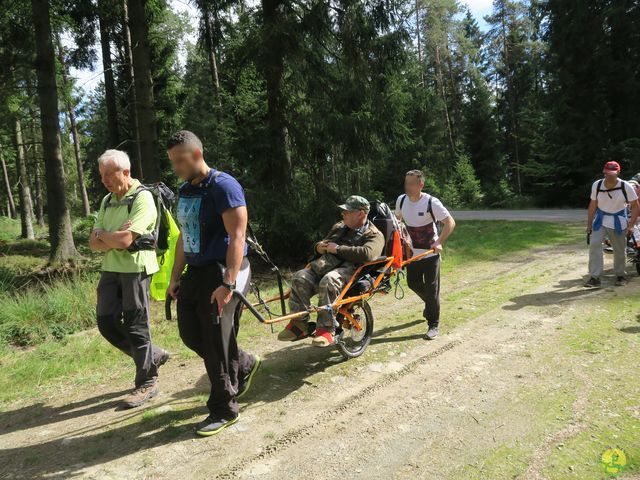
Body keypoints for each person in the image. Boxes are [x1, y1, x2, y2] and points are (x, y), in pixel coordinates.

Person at [165, 130, 260, 437]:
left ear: (196, 154)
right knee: (191, 334)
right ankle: (243, 363)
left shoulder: (223, 185)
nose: (176, 166)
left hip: (225, 269)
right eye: (173, 161)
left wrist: (228, 283)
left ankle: (224, 409)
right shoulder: (185, 189)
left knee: (216, 339)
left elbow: (237, 236)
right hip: (196, 271)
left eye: (180, 160)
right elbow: (183, 236)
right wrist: (175, 277)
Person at [89, 149, 170, 409]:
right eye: (101, 176)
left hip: (136, 268)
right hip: (111, 268)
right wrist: (111, 237)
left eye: (109, 175)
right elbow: (93, 242)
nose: (104, 180)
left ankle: (147, 382)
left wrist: (106, 235)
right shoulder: (106, 200)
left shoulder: (143, 198)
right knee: (106, 323)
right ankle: (153, 355)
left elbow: (126, 240)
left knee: (136, 325)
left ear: (126, 172)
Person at [278, 196, 385, 347]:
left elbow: (368, 254)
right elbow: (322, 244)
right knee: (300, 277)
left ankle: (326, 330)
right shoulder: (339, 227)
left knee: (329, 280)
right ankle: (299, 325)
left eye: (347, 211)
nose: (343, 214)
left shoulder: (374, 234)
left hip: (351, 271)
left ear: (361, 213)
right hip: (325, 266)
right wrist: (318, 247)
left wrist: (339, 249)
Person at [395, 170, 455, 340]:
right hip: (412, 254)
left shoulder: (431, 202)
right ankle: (431, 305)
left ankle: (433, 324)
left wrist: (439, 241)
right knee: (412, 283)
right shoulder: (402, 200)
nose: (408, 187)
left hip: (431, 255)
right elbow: (397, 220)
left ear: (421, 184)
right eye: (406, 183)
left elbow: (450, 222)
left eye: (412, 184)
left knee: (432, 288)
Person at [585, 161, 639, 287]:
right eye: (607, 173)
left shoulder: (626, 186)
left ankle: (620, 275)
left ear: (618, 173)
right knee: (594, 245)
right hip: (601, 220)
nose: (609, 176)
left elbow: (635, 206)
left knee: (619, 250)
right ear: (604, 172)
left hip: (618, 220)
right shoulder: (597, 185)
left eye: (612, 174)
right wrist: (589, 225)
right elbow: (593, 205)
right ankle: (594, 277)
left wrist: (631, 225)